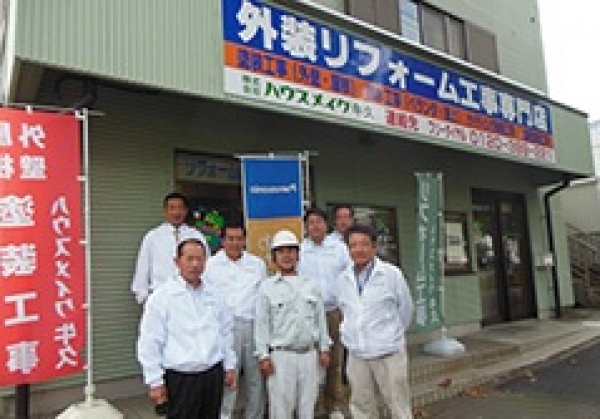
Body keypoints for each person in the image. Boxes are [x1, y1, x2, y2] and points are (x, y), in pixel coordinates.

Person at [137, 238, 236, 418]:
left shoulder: (215, 295)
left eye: (199, 259)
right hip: (181, 378)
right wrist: (155, 381)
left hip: (212, 374)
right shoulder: (162, 298)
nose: (195, 264)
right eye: (189, 259)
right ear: (177, 262)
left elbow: (225, 332)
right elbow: (150, 342)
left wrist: (229, 365)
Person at [336, 224, 414, 419]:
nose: (358, 249)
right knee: (361, 407)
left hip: (388, 353)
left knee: (398, 406)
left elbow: (405, 310)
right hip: (357, 354)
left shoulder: (391, 274)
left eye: (364, 244)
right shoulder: (343, 279)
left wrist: (390, 335)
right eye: (353, 245)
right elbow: (346, 311)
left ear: (374, 247)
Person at [254, 229, 331, 419]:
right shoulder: (266, 288)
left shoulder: (310, 285)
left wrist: (324, 348)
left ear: (298, 255)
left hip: (309, 355)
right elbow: (262, 324)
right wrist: (263, 356)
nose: (286, 256)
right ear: (274, 257)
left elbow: (320, 319)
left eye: (291, 251)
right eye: (281, 252)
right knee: (281, 409)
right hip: (281, 356)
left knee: (307, 408)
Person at [203, 222, 267, 419]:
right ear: (222, 241)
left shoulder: (257, 264)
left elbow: (263, 297)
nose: (235, 243)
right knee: (229, 378)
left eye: (239, 239)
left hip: (252, 325)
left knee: (255, 379)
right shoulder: (211, 265)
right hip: (225, 329)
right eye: (230, 239)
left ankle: (254, 415)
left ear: (245, 240)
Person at [298, 208, 350, 419]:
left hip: (333, 311)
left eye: (319, 221)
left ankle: (333, 405)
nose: (315, 226)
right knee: (310, 362)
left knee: (335, 361)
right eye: (311, 223)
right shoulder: (301, 251)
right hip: (308, 314)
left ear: (326, 225)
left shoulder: (339, 249)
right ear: (306, 227)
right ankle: (309, 406)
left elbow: (349, 277)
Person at [131, 192, 208, 304]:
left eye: (180, 208)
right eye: (172, 208)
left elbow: (206, 265)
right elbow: (143, 266)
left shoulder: (196, 235)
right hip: (160, 295)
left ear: (186, 211)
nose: (176, 212)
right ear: (165, 211)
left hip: (192, 295)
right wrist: (143, 296)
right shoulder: (153, 236)